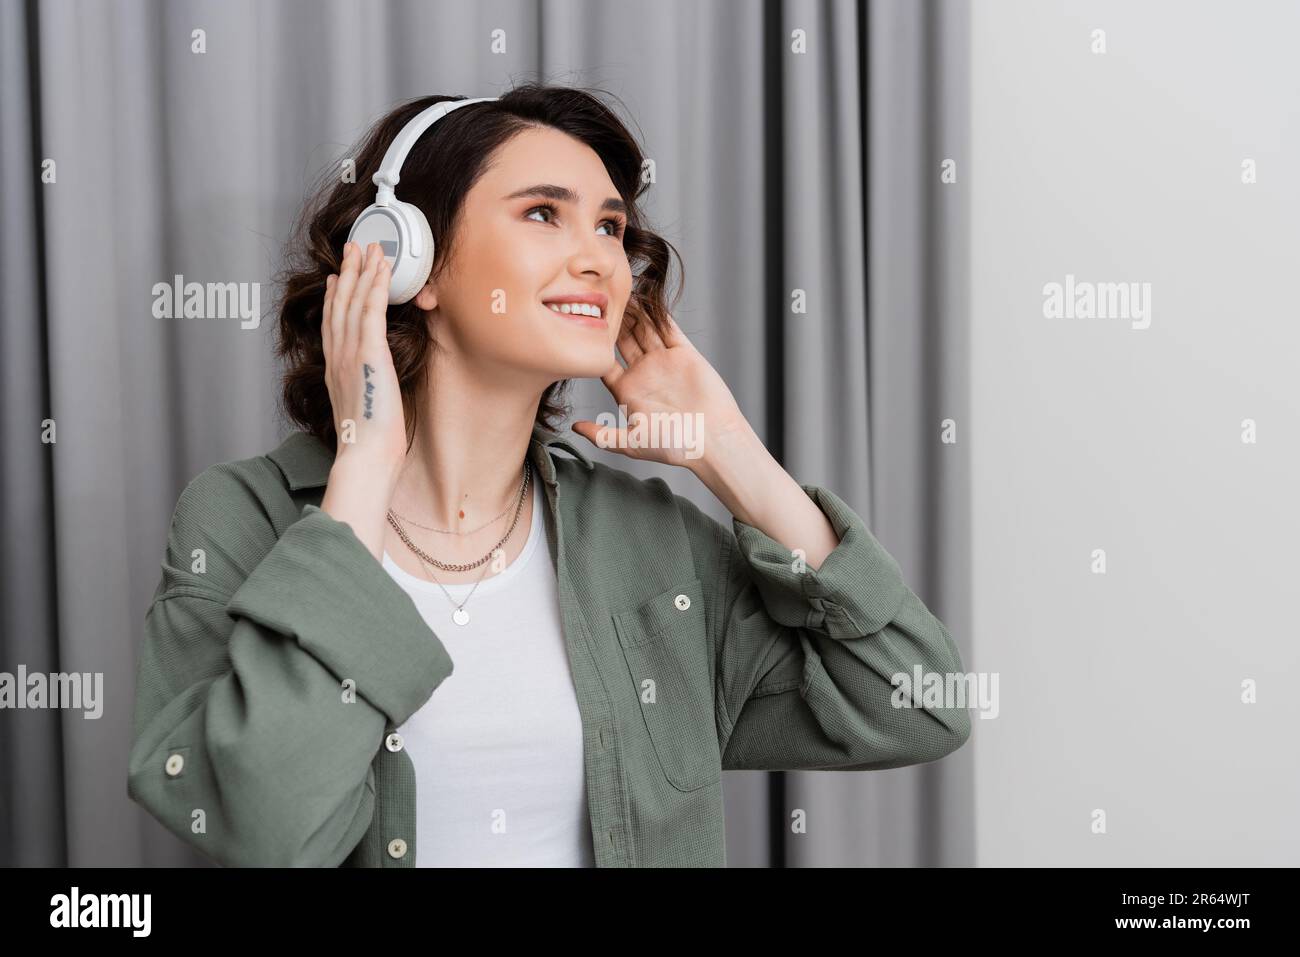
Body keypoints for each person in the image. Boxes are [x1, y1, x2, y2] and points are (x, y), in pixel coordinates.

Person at [127, 84, 971, 868]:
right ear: (406, 261)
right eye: (543, 214)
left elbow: (919, 705)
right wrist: (366, 459)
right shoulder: (242, 520)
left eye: (611, 228)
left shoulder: (650, 544)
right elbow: (263, 821)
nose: (602, 260)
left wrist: (726, 450)